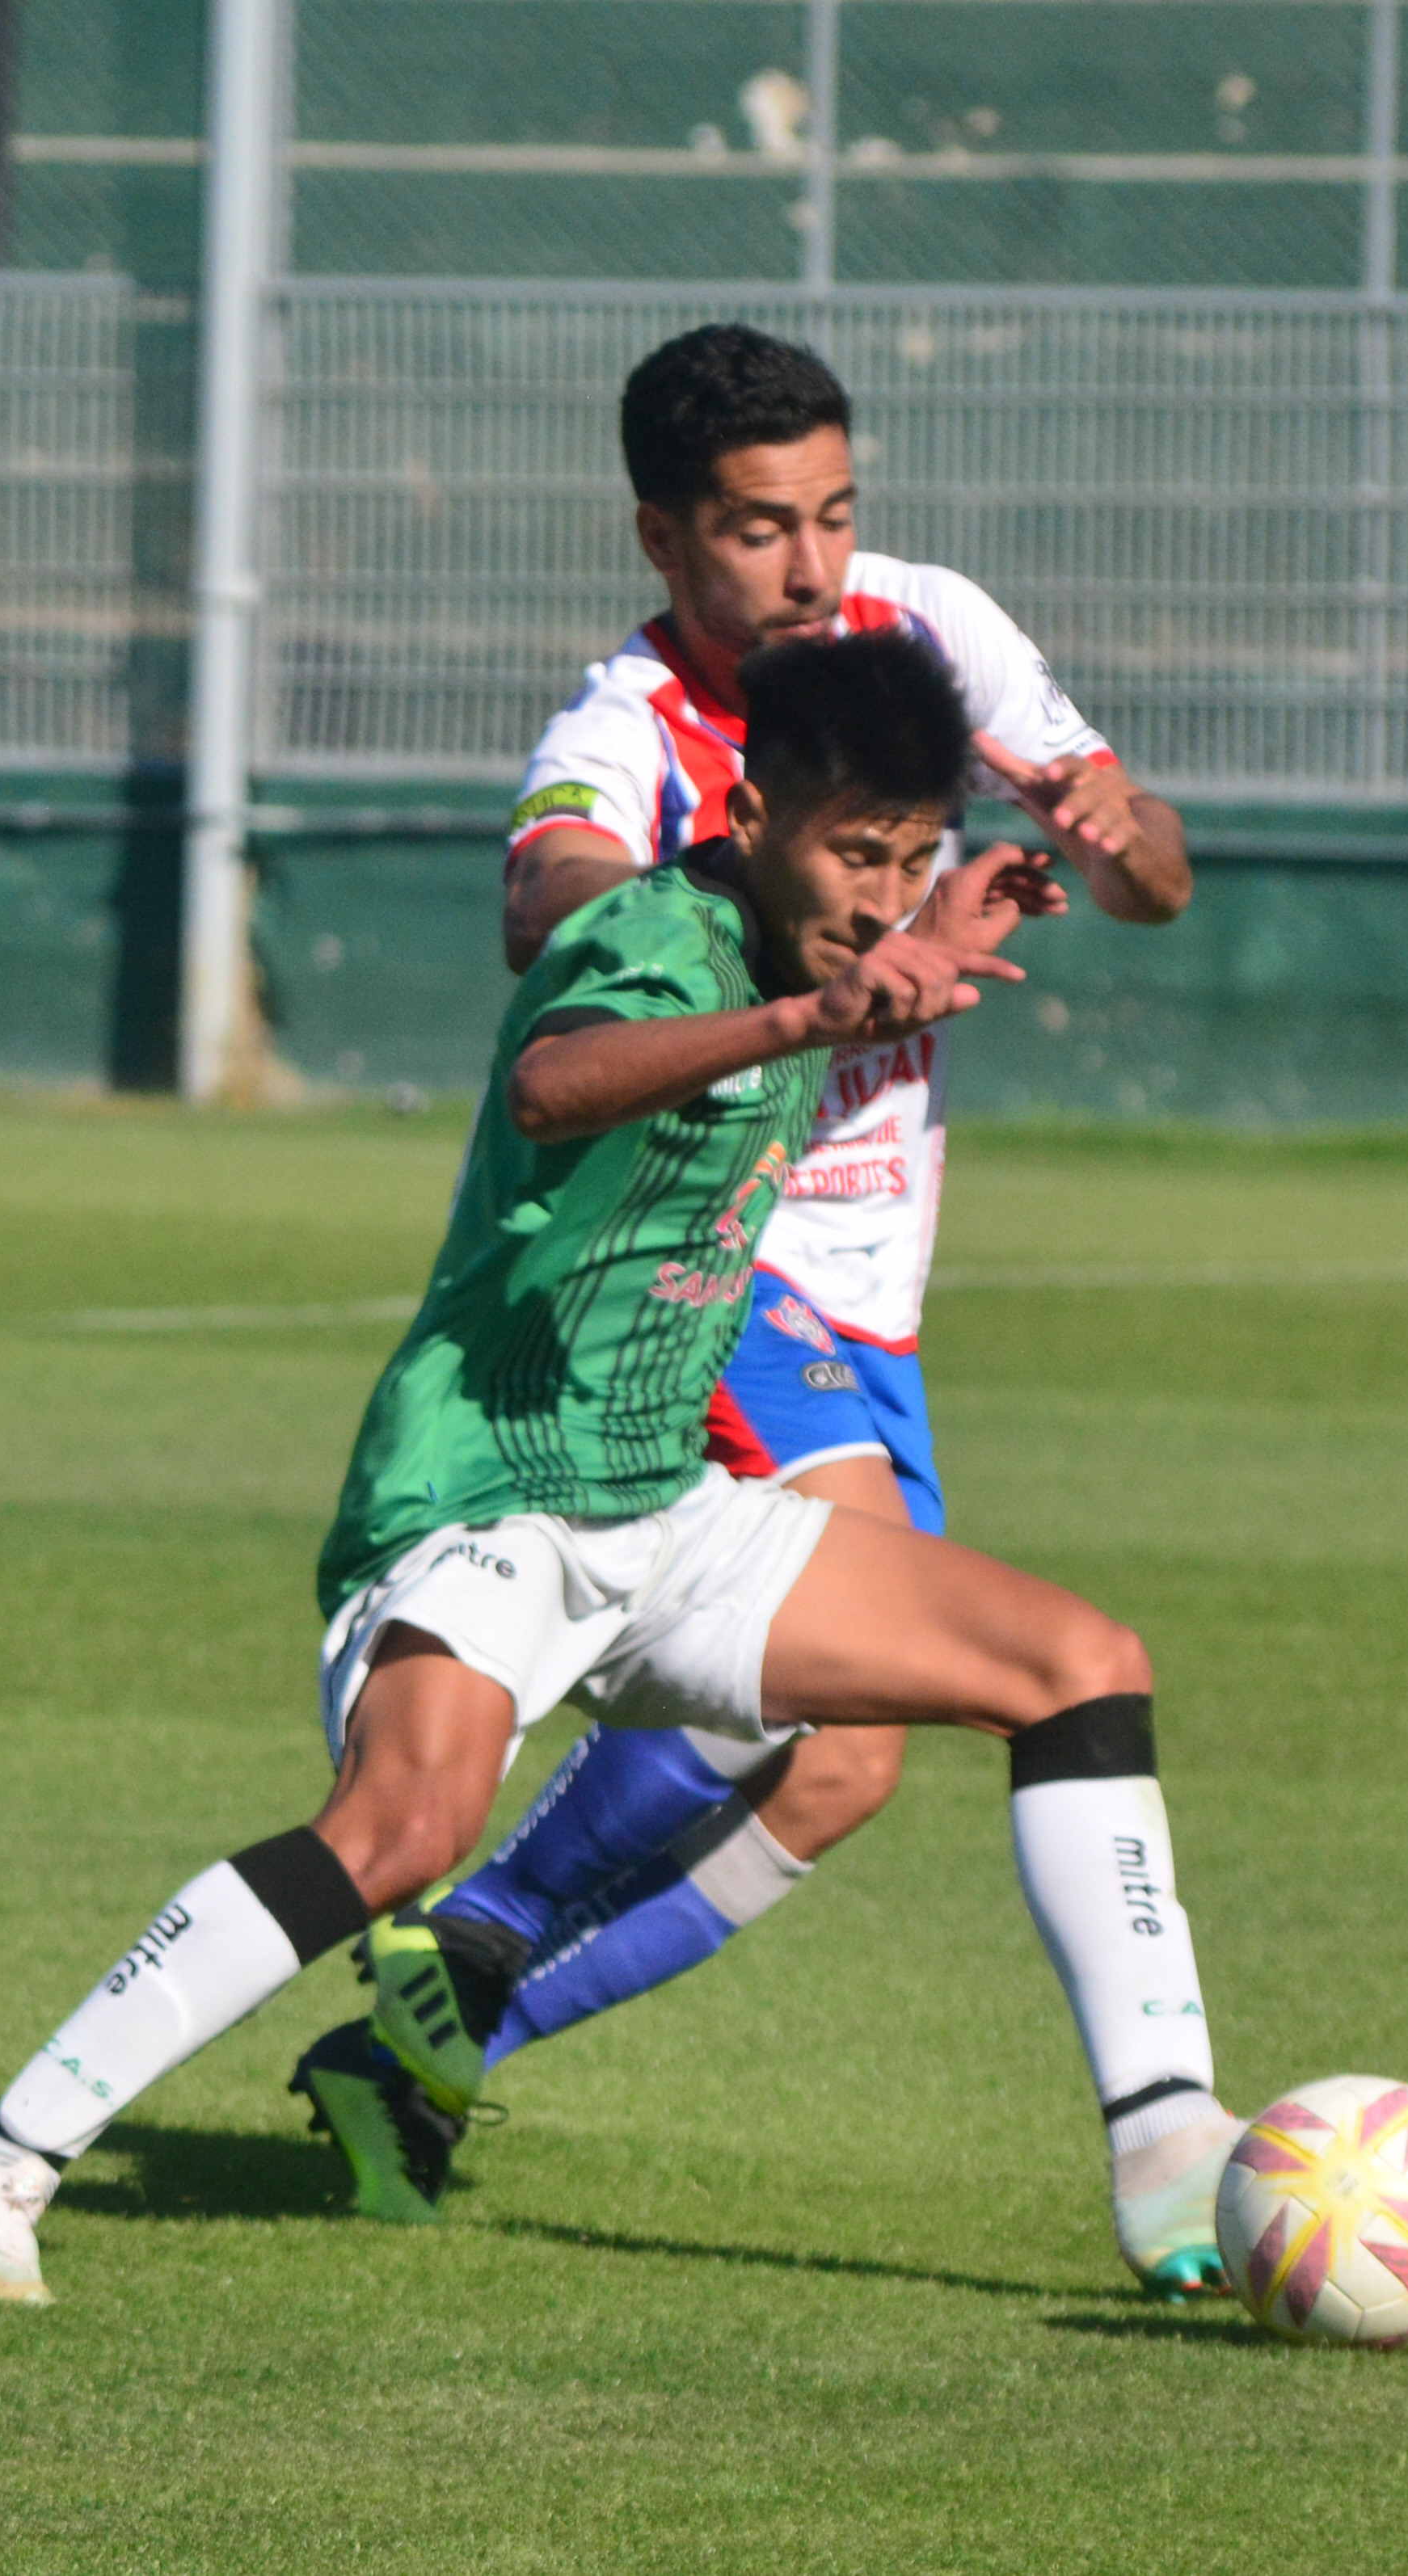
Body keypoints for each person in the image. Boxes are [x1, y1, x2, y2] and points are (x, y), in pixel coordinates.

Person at [0, 628, 1241, 2305]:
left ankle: (1168, 2146)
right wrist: (806, 1012)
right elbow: (551, 1079)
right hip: (482, 1497)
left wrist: (924, 938)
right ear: (746, 814)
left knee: (1079, 1665)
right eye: (850, 856)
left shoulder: (836, 937)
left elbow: (855, 964)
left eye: (906, 859)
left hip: (660, 1507)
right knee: (404, 1827)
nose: (879, 897)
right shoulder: (647, 936)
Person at [407, 322, 1199, 2120]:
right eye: (759, 527)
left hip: (872, 1285)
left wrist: (1109, 827)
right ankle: (1157, 2122)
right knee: (897, 1658)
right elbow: (550, 896)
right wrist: (768, 926)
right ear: (661, 536)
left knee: (844, 1763)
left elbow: (1151, 877)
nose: (811, 565)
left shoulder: (925, 634)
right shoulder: (630, 723)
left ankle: (432, 2036)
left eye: (832, 513)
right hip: (717, 1262)